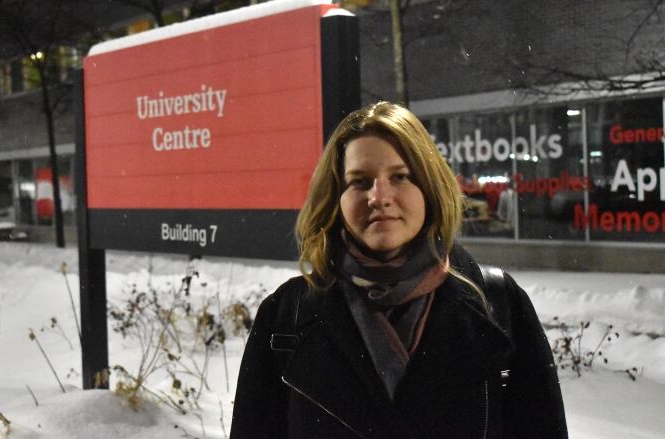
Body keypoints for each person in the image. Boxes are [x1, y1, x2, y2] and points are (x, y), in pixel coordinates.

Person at [230, 102, 567, 439]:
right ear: (336, 198)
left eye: (400, 176)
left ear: (428, 187)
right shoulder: (286, 316)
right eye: (360, 182)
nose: (380, 196)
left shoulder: (498, 305)